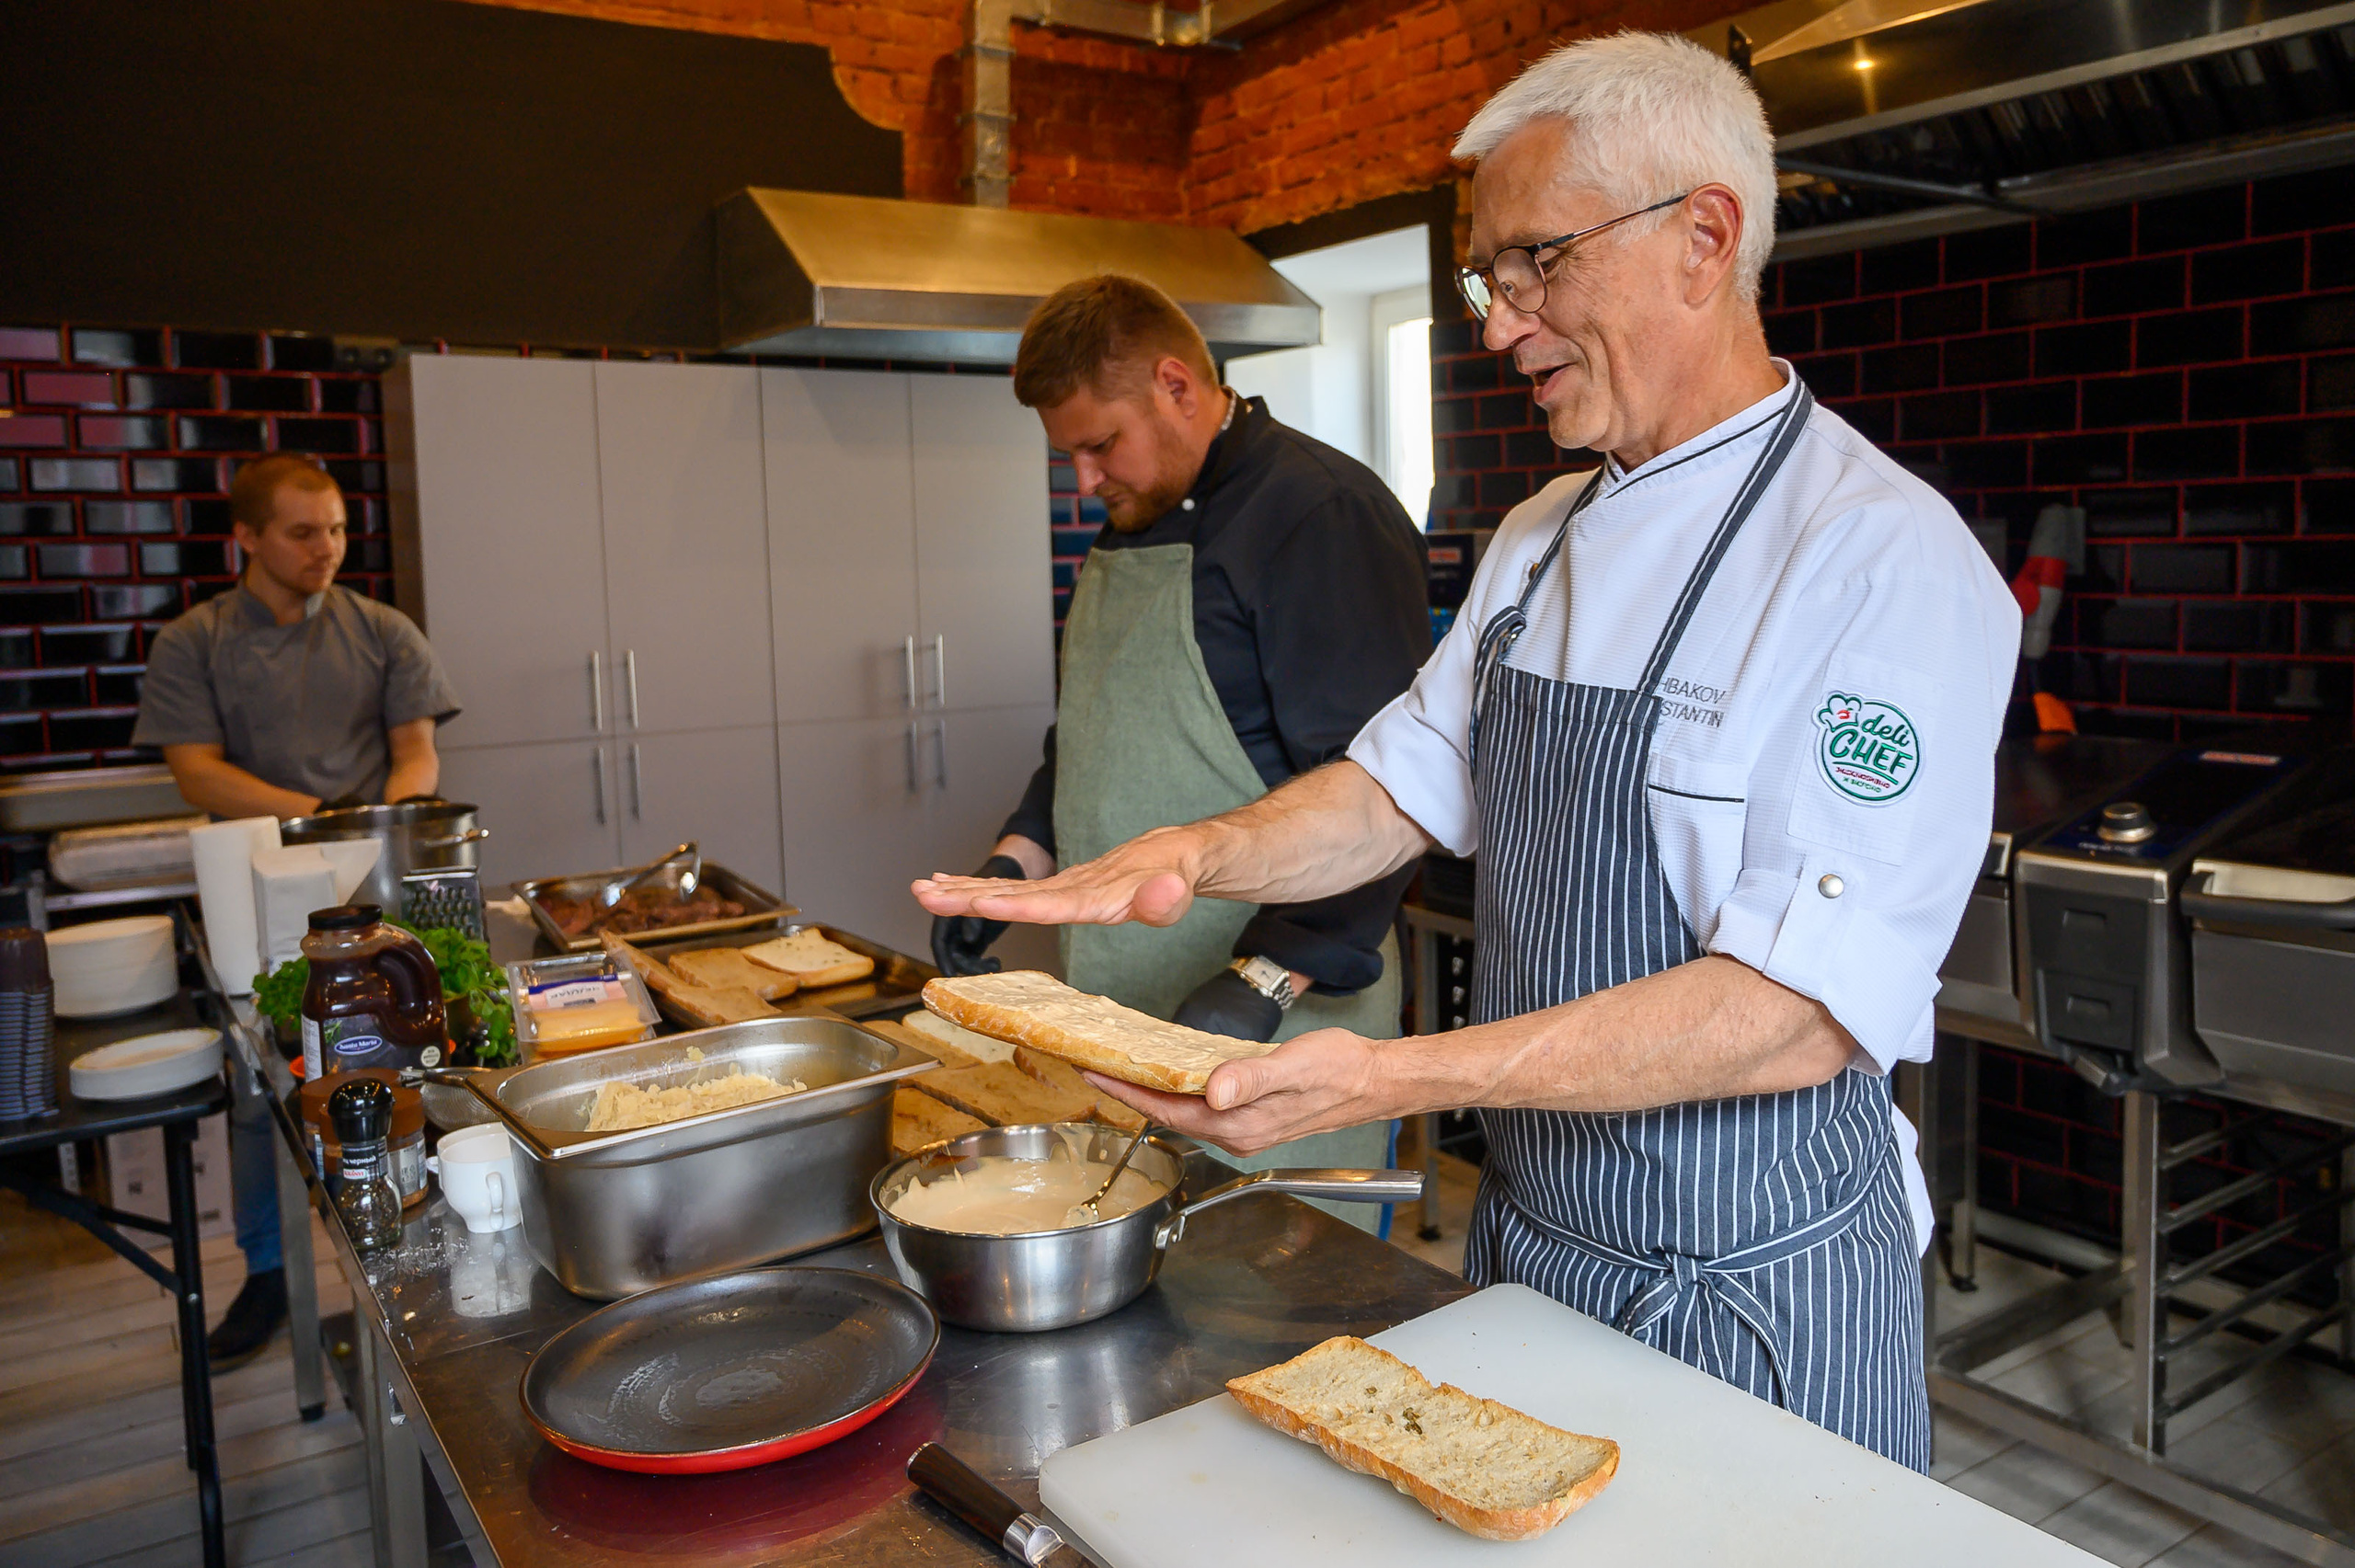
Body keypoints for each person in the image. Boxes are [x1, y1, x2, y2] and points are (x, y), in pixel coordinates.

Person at [917, 32, 2018, 1467]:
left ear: (1704, 237)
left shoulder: (1884, 562)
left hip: (1757, 1287)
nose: (1498, 322)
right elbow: (1393, 788)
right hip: (1535, 1248)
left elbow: (1796, 1011)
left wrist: (1387, 1077)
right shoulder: (1538, 538)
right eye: (1485, 277)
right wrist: (1196, 852)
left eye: (1535, 263)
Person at [928, 275, 1430, 1212]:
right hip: (1126, 1013)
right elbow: (1092, 731)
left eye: (1098, 445)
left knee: (1281, 1307)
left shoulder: (1318, 516)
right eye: (1068, 454)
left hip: (1275, 1028)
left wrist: (1265, 978)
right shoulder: (1136, 521)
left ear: (1175, 385)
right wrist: (1017, 867)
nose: (1083, 481)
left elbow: (1389, 791)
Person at [132, 453, 461, 1369]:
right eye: (302, 531)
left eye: (337, 530)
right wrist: (318, 824)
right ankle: (270, 1274)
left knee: (414, 1061)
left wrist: (376, 830)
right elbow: (196, 770)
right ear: (245, 536)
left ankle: (422, 1242)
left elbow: (415, 752)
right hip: (258, 896)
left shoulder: (383, 630)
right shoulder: (192, 643)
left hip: (376, 894)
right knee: (263, 1089)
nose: (327, 549)